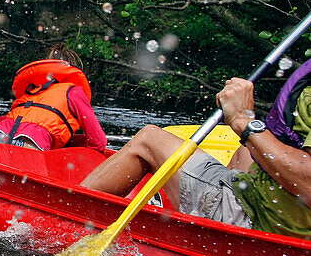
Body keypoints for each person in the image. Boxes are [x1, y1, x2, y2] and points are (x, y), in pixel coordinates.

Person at [80, 72, 311, 239]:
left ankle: (71, 221)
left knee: (148, 140)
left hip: (265, 228)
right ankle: (212, 201)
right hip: (283, 217)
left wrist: (244, 121)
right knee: (245, 149)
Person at [0, 45, 107, 151]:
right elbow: (98, 142)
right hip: (31, 143)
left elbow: (5, 120)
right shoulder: (73, 91)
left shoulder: (33, 90)